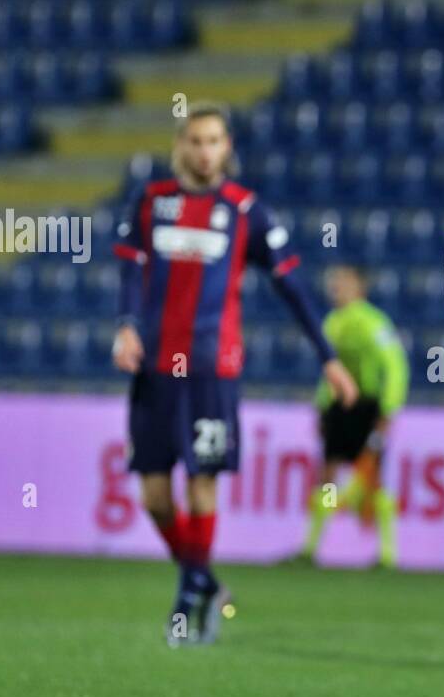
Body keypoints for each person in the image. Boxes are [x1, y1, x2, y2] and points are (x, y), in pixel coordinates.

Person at [112, 102, 357, 645]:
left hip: (211, 372)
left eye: (215, 141)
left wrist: (329, 358)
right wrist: (127, 326)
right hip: (154, 369)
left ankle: (187, 603)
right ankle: (202, 580)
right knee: (154, 496)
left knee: (202, 484)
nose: (205, 151)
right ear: (180, 145)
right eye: (196, 141)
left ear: (228, 148)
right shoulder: (151, 202)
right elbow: (130, 271)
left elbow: (291, 287)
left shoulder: (247, 211)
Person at [299, 264, 409, 569]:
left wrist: (388, 408)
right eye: (334, 283)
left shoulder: (373, 322)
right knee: (329, 475)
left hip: (368, 407)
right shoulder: (332, 322)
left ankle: (387, 554)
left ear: (359, 287)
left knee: (371, 477)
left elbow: (396, 367)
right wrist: (323, 406)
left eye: (343, 283)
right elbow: (329, 372)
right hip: (340, 408)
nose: (336, 288)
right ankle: (310, 549)